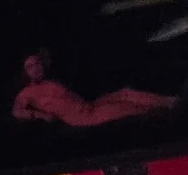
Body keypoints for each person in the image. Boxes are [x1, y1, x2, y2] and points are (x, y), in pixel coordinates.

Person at [13, 50, 177, 128]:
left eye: (37, 63)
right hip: (85, 117)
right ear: (25, 72)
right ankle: (171, 108)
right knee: (133, 109)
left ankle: (171, 101)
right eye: (30, 67)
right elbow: (17, 111)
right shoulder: (26, 93)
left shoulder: (50, 81)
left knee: (125, 93)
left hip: (90, 105)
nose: (36, 68)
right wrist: (40, 115)